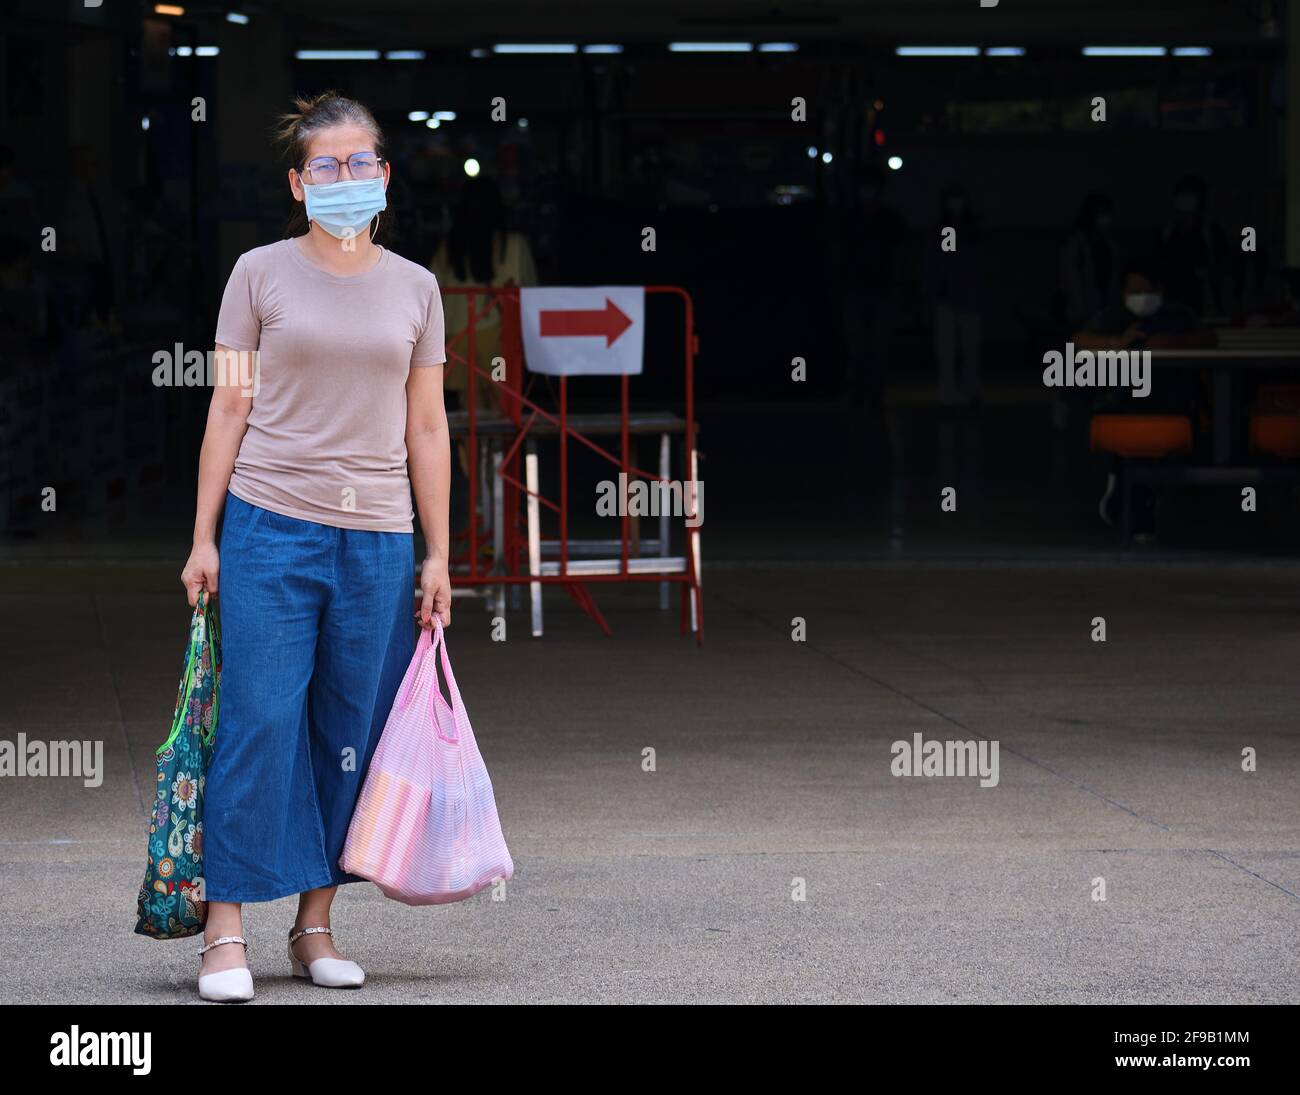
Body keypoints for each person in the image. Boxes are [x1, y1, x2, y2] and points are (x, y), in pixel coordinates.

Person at [179, 91, 452, 1002]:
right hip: (270, 524)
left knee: (349, 734)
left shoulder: (416, 286)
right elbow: (228, 403)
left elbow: (427, 428)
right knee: (258, 720)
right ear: (299, 184)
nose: (345, 178)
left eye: (361, 162)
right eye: (325, 166)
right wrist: (204, 536)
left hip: (377, 538)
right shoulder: (256, 274)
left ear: (384, 175)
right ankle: (224, 932)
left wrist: (439, 554)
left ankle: (315, 922)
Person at [1074, 258, 1214, 535]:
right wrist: (1116, 343)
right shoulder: (1114, 317)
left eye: (1146, 291)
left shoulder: (1177, 316)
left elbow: (1208, 338)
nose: (1141, 298)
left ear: (1159, 290)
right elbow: (1078, 340)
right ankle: (1128, 493)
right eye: (1134, 292)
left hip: (1169, 404)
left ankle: (1139, 498)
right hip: (1123, 404)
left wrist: (1172, 343)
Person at [430, 175, 537, 419]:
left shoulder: (449, 248)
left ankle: (472, 459)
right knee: (505, 414)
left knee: (469, 418)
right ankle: (501, 457)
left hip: (458, 341)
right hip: (499, 339)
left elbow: (432, 294)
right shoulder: (514, 245)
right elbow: (530, 292)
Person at [838, 162, 905, 409]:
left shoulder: (888, 219)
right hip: (858, 288)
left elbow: (898, 256)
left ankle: (871, 391)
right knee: (858, 344)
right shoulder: (850, 218)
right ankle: (859, 390)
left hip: (880, 289)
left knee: (876, 345)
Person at [924, 183, 984, 407]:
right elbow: (945, 261)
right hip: (949, 296)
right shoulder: (947, 231)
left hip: (967, 296)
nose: (956, 205)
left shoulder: (971, 229)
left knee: (969, 349)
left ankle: (968, 390)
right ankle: (950, 391)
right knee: (948, 349)